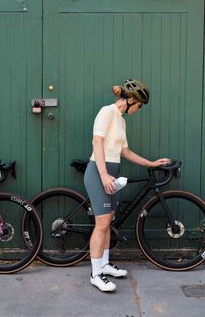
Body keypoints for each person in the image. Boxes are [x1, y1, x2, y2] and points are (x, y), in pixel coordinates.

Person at [84, 78, 170, 292]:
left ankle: (104, 264)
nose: (140, 109)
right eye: (140, 105)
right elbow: (97, 142)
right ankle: (96, 274)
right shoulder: (107, 112)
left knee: (109, 221)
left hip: (114, 172)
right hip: (98, 171)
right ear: (130, 100)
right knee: (101, 224)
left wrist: (151, 163)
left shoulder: (121, 120)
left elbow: (124, 151)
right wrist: (104, 175)